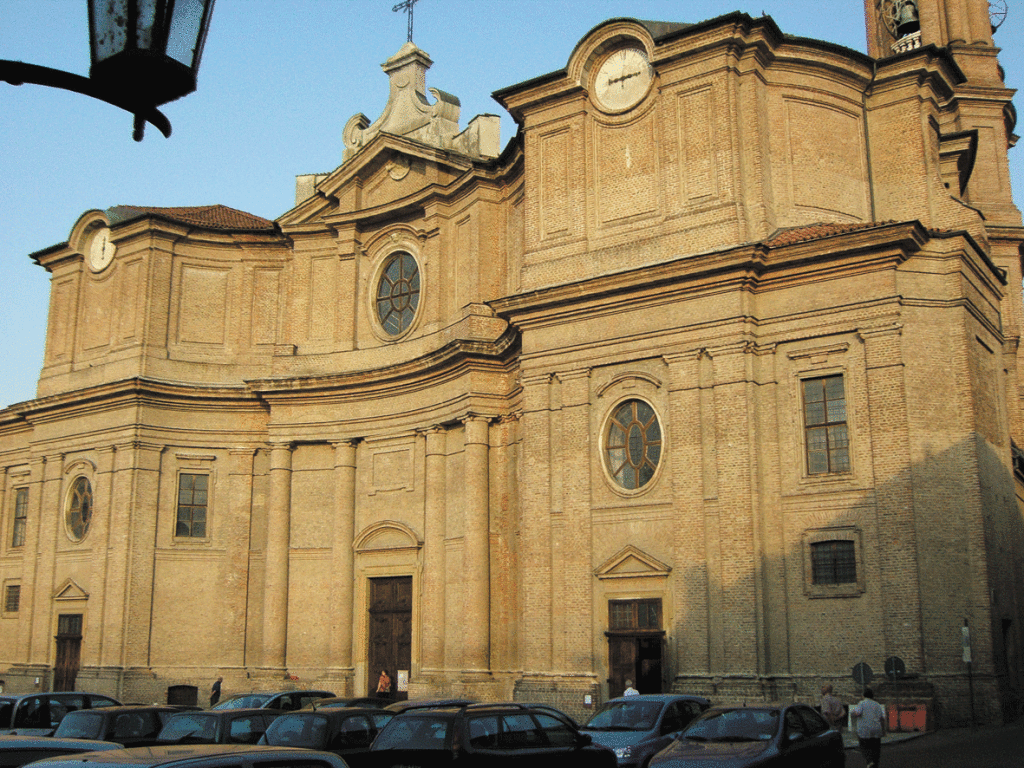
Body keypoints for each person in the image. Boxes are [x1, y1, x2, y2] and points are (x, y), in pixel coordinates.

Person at [850, 687, 886, 768]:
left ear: (863, 695)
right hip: (877, 729)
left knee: (864, 746)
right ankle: (875, 763)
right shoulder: (877, 704)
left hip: (864, 729)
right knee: (876, 748)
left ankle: (869, 761)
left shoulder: (861, 703)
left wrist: (852, 713)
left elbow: (857, 713)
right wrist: (883, 731)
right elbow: (881, 718)